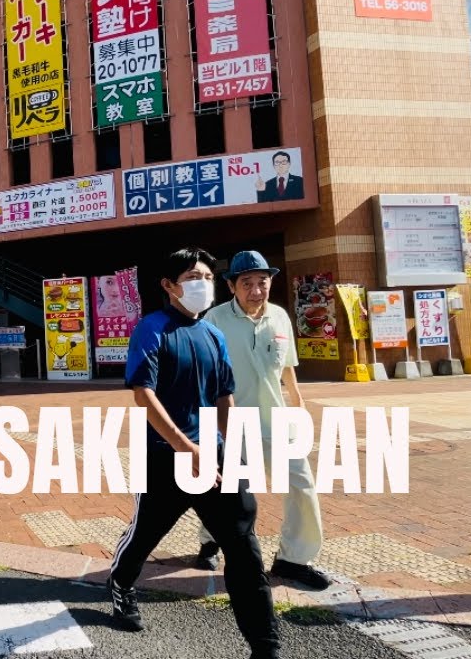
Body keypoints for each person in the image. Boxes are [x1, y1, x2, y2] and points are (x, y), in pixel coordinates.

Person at [108, 247, 279, 659]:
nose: (201, 284)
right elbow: (142, 394)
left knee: (243, 548)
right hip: (166, 458)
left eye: (205, 276)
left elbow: (225, 396)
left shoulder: (213, 334)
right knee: (145, 535)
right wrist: (185, 447)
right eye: (191, 278)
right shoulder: (153, 329)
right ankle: (121, 585)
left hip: (216, 460)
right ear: (168, 286)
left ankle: (265, 645)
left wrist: (238, 448)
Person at [195, 250, 332, 590]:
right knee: (225, 489)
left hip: (276, 419)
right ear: (231, 286)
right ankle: (209, 540)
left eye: (262, 282)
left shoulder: (281, 317)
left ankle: (293, 559)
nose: (256, 290)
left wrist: (297, 402)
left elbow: (287, 366)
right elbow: (203, 374)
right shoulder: (213, 320)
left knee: (302, 485)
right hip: (229, 421)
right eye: (247, 284)